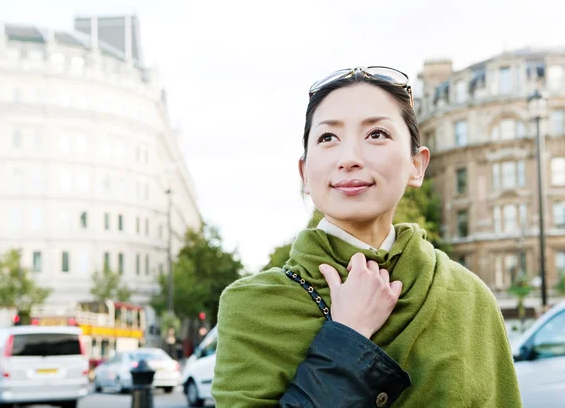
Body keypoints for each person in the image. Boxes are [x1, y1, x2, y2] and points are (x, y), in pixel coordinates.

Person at [212, 66, 522, 407]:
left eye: (376, 134)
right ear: (304, 172)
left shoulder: (468, 297)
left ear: (416, 165)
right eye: (328, 138)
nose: (349, 159)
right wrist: (348, 337)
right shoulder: (252, 307)